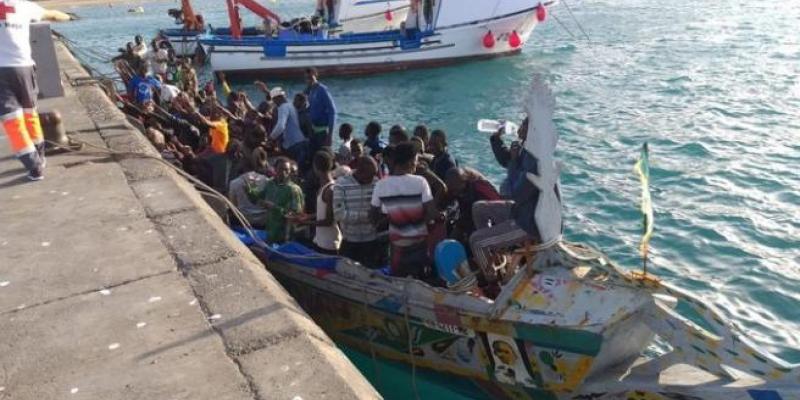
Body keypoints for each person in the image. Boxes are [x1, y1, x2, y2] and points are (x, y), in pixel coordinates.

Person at [1, 0, 70, 180]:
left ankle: (34, 166)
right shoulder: (24, 6)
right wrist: (69, 17)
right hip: (24, 68)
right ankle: (40, 155)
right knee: (29, 114)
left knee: (12, 122)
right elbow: (54, 15)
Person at [370, 142, 438, 278]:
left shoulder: (381, 184)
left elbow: (373, 216)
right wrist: (415, 225)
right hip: (420, 244)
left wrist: (392, 219)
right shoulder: (420, 182)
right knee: (420, 280)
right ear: (410, 161)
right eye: (416, 160)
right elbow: (432, 214)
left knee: (398, 280)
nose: (416, 165)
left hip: (397, 246)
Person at [334, 156, 386, 268]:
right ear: (360, 171)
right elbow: (339, 214)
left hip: (371, 242)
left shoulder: (377, 183)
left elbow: (381, 210)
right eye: (370, 175)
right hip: (349, 242)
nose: (373, 178)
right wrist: (368, 216)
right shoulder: (341, 184)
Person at [293, 151, 341, 254]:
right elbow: (323, 212)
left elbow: (329, 221)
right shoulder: (326, 187)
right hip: (320, 241)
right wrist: (308, 216)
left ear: (315, 167)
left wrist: (305, 223)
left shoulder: (330, 191)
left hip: (329, 245)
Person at [444, 167, 501, 242]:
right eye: (452, 189)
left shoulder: (481, 187)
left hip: (488, 220)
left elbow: (497, 206)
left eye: (456, 189)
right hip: (467, 215)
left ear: (464, 182)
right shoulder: (455, 187)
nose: (454, 192)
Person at [261, 157, 305, 243]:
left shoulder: (293, 190)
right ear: (275, 169)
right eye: (281, 169)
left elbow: (297, 215)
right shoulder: (270, 184)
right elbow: (259, 199)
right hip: (270, 231)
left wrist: (275, 208)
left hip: (285, 234)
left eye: (287, 170)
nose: (284, 173)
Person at [227, 151, 271, 228]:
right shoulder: (268, 181)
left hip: (243, 221)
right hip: (264, 222)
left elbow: (233, 206)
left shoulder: (234, 183)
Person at [269, 87, 308, 169]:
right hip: (301, 142)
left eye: (274, 99)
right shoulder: (291, 106)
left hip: (293, 145)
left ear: (278, 98)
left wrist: (271, 138)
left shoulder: (283, 107)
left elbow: (280, 126)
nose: (274, 102)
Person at [490, 117, 528, 197]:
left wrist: (514, 159)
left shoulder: (531, 151)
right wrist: (496, 138)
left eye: (523, 124)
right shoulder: (522, 145)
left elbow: (517, 182)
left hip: (517, 200)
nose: (520, 126)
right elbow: (505, 161)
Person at [303, 67, 336, 147]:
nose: (309, 80)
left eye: (311, 78)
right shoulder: (309, 90)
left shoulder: (322, 90)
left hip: (323, 131)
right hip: (313, 130)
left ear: (316, 75)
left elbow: (332, 111)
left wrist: (330, 135)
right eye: (307, 78)